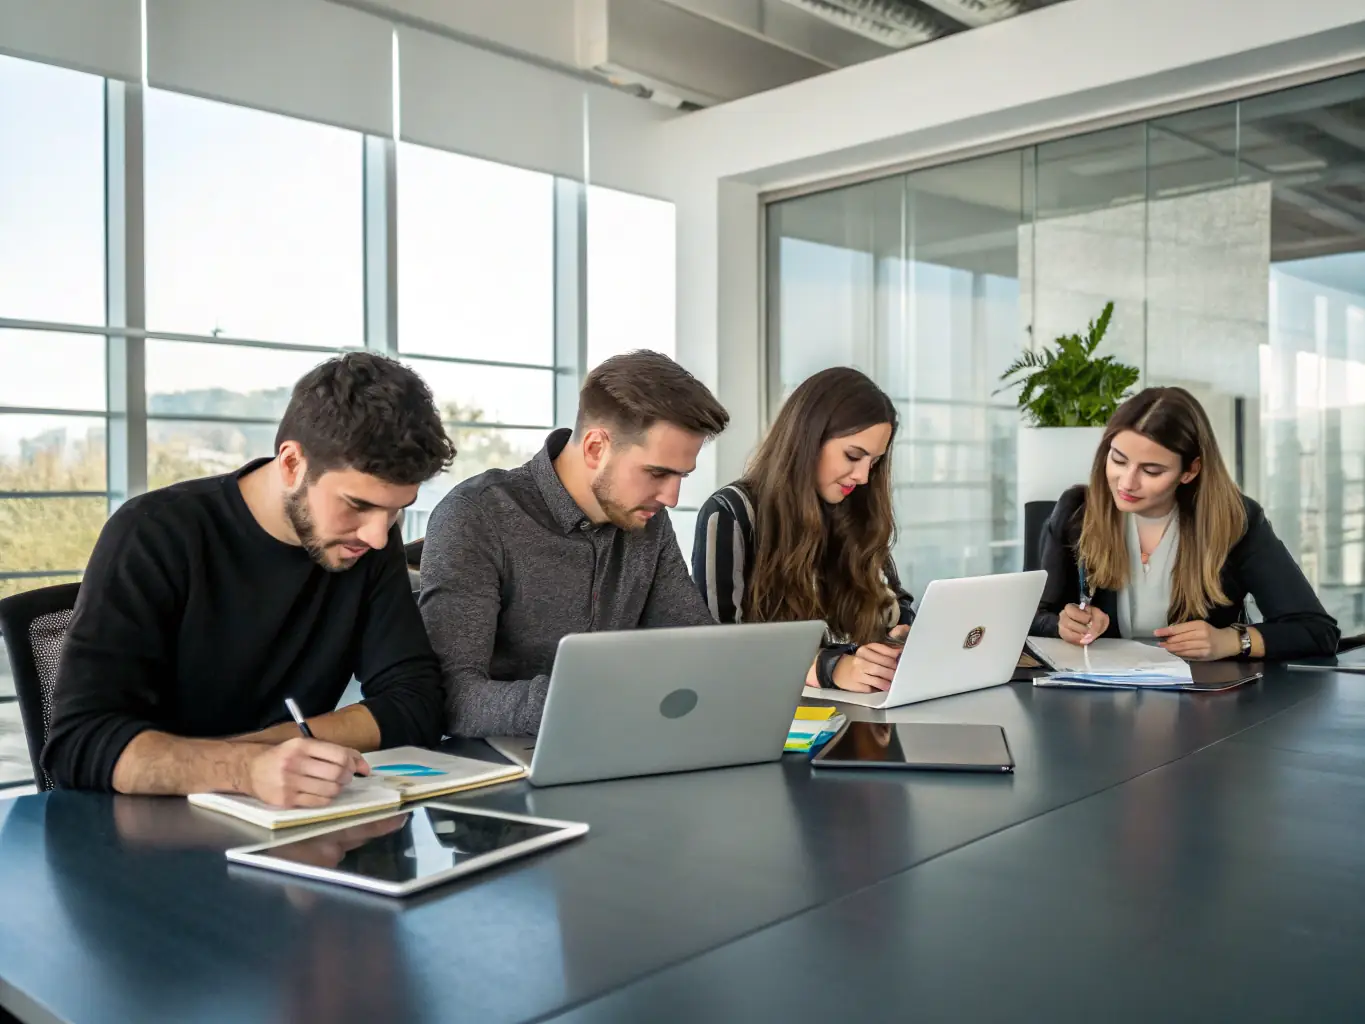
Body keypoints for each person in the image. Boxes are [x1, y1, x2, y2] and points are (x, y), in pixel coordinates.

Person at [42, 353, 455, 804]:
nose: (378, 535)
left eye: (397, 509)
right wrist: (244, 769)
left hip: (283, 824)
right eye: (357, 505)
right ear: (293, 463)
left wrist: (278, 758)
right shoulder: (154, 533)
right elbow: (78, 743)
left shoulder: (368, 544)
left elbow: (415, 702)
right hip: (139, 832)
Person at [420, 350, 729, 737]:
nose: (670, 497)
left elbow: (695, 649)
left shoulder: (647, 521)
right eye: (657, 473)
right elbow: (451, 697)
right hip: (505, 769)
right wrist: (589, 699)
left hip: (619, 745)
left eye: (681, 475)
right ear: (596, 447)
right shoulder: (476, 516)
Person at [1032, 386, 1338, 660]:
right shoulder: (1078, 512)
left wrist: (1231, 641)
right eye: (1119, 460)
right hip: (1100, 702)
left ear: (1189, 471)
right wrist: (1062, 623)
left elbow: (1316, 630)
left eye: (1151, 471)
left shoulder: (1234, 521)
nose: (1127, 482)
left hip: (1207, 708)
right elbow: (1032, 616)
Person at [692, 367, 914, 693]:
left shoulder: (857, 511)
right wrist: (829, 668)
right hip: (772, 717)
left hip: (863, 710)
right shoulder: (731, 513)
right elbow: (719, 648)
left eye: (874, 461)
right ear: (808, 438)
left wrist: (900, 636)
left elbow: (894, 602)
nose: (864, 476)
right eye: (853, 456)